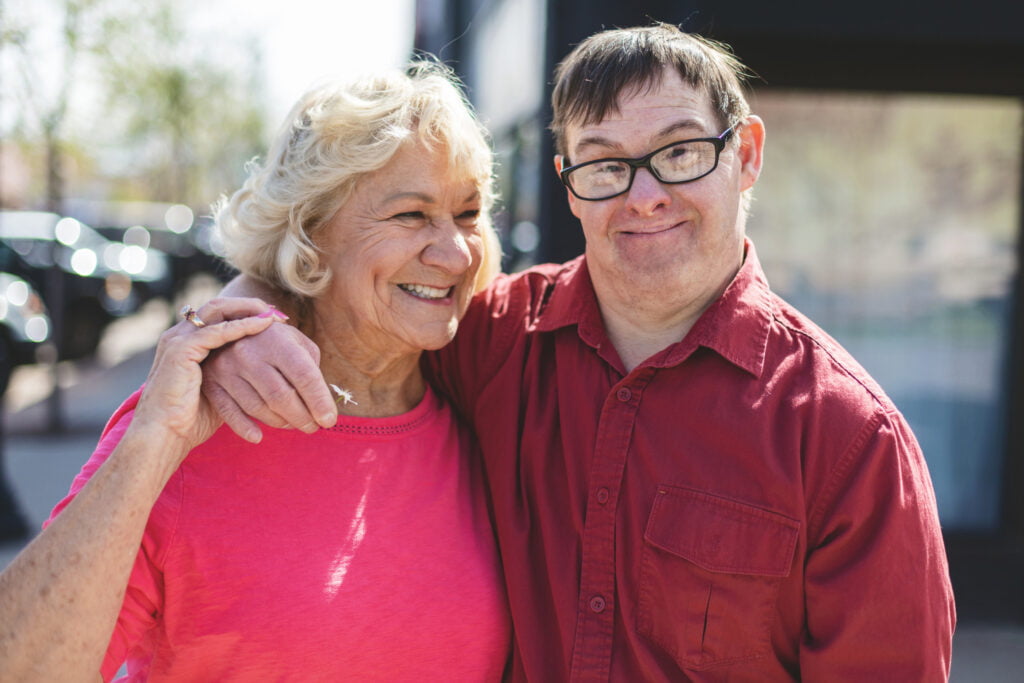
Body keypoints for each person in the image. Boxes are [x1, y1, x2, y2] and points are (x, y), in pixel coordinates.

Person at [205, 24, 956, 680]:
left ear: (747, 155)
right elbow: (334, 287)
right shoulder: (492, 337)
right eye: (605, 164)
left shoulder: (848, 441)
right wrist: (247, 320)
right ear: (568, 184)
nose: (644, 195)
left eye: (682, 152)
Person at [0, 62, 510, 681]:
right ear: (309, 233)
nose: (455, 252)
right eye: (410, 215)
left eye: (467, 212)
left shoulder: (492, 399)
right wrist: (153, 444)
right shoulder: (198, 415)